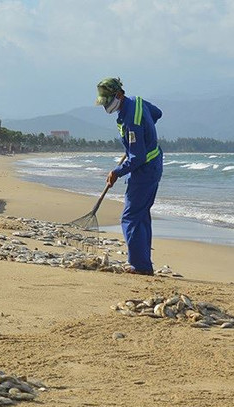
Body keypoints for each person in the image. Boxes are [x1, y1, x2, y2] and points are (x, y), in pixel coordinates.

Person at [96, 77, 163, 276]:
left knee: (130, 217)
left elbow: (138, 157)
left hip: (144, 170)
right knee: (141, 215)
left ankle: (139, 265)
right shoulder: (137, 102)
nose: (106, 106)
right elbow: (157, 113)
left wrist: (116, 172)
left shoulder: (131, 121)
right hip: (154, 164)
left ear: (118, 95)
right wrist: (147, 130)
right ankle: (143, 263)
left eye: (108, 101)